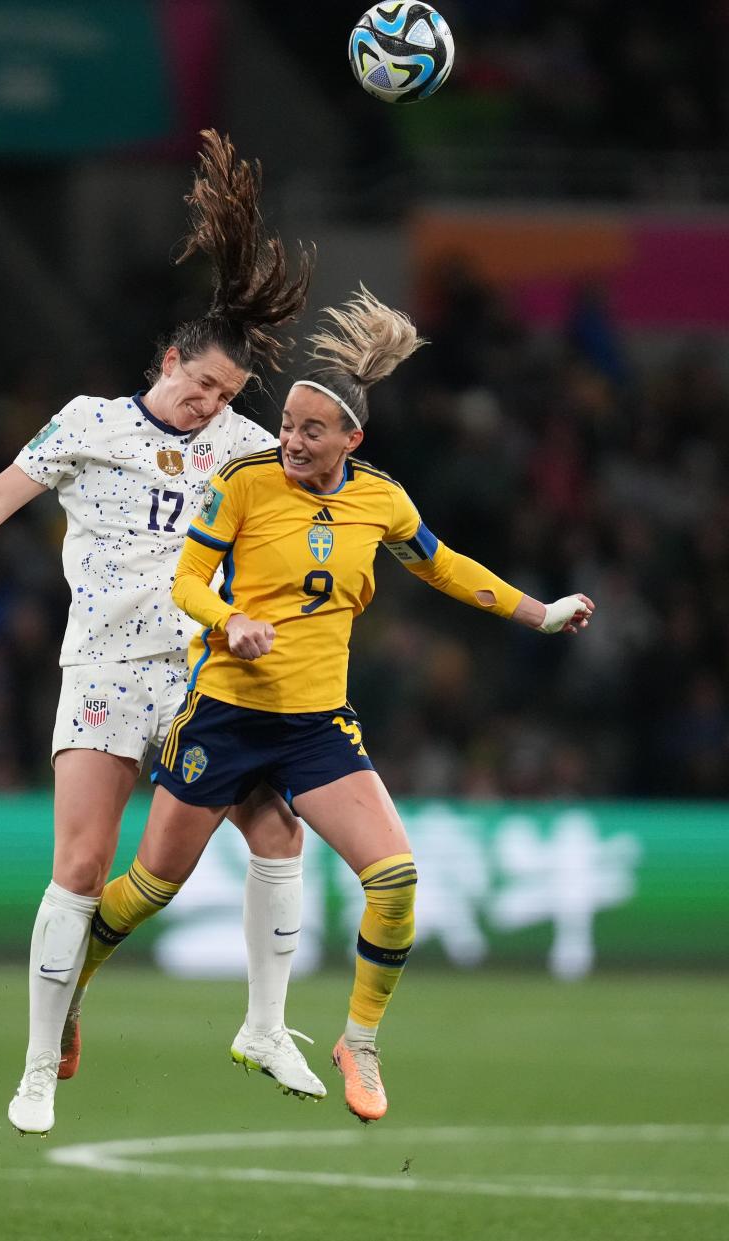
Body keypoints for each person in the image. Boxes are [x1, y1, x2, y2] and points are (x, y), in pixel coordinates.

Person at [0, 130, 325, 1137]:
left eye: (225, 397)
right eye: (199, 386)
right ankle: (37, 1067)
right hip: (111, 665)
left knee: (276, 831)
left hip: (208, 670)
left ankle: (266, 1022)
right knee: (80, 863)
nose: (210, 406)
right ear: (165, 361)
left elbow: (324, 505)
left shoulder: (251, 449)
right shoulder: (86, 425)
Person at [65, 286, 596, 1123]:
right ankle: (71, 991)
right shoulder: (244, 481)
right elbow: (187, 582)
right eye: (287, 427)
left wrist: (541, 611)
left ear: (352, 438)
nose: (291, 441)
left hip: (317, 726)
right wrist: (230, 619)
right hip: (226, 713)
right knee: (150, 886)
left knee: (396, 879)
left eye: (311, 432)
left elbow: (446, 565)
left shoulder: (380, 499)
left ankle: (361, 1040)